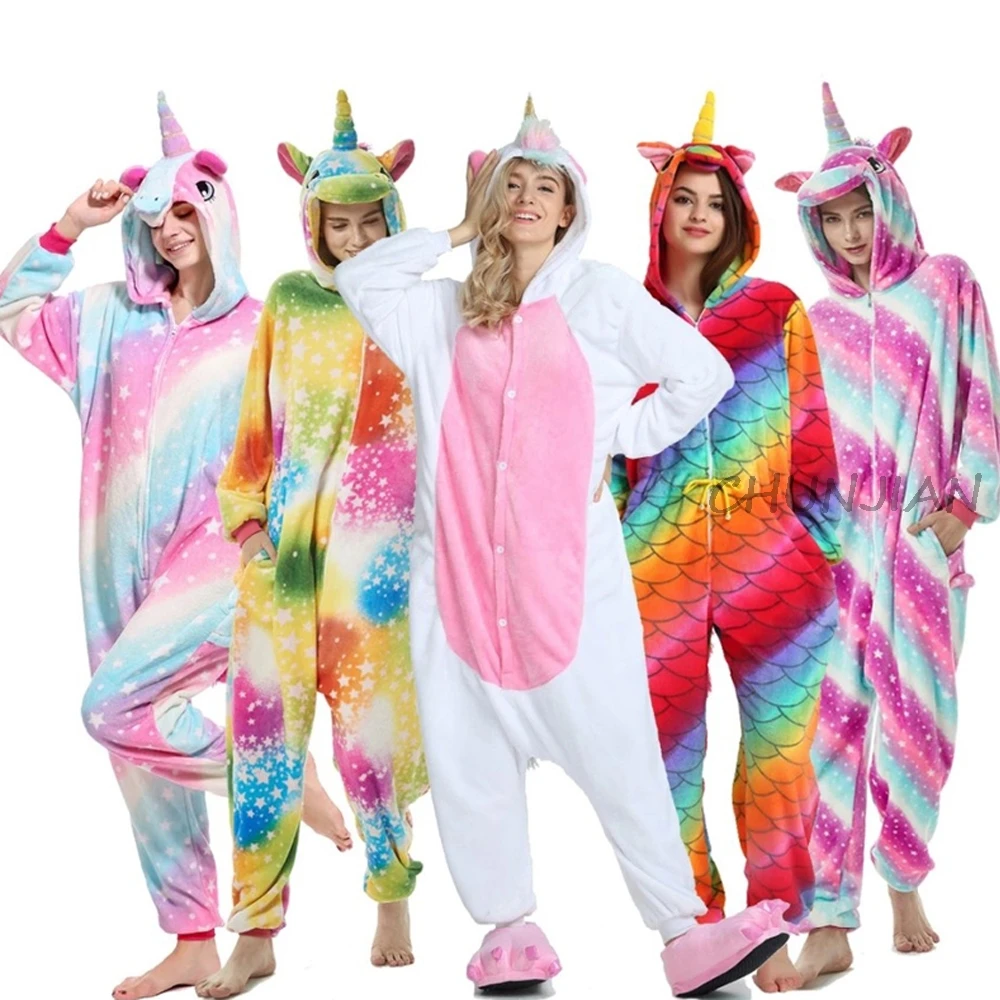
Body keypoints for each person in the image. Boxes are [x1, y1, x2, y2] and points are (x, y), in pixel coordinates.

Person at [335, 96, 791, 998]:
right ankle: (508, 931)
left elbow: (701, 373)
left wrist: (620, 434)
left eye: (545, 187)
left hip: (571, 584)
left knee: (620, 749)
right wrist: (457, 229)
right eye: (512, 186)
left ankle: (681, 929)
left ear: (571, 207)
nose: (527, 199)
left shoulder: (600, 298)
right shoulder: (440, 313)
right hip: (457, 586)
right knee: (469, 759)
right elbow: (362, 282)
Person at [0, 93, 341, 1000]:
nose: (171, 229)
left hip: (222, 552)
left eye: (186, 209)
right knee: (136, 745)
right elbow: (10, 305)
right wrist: (71, 224)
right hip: (111, 555)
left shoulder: (264, 324)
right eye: (156, 217)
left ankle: (269, 774)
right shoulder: (106, 316)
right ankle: (192, 937)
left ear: (218, 213)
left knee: (109, 706)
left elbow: (311, 442)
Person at [194, 91, 429, 1000]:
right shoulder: (291, 302)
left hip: (377, 564)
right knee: (260, 746)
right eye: (340, 222)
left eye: (372, 220)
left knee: (372, 743)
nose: (357, 237)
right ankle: (254, 932)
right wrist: (249, 525)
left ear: (393, 220)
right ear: (314, 225)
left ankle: (391, 891)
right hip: (283, 560)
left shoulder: (414, 306)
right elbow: (257, 415)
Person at [613, 91, 841, 993]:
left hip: (774, 560)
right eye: (685, 197)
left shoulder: (776, 309)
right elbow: (601, 451)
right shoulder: (620, 313)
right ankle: (702, 929)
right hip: (651, 566)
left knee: (781, 760)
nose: (700, 213)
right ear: (659, 207)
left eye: (716, 201)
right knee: (661, 759)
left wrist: (822, 546)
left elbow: (812, 429)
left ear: (738, 213)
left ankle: (775, 919)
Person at [776, 83, 1000, 984]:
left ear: (889, 199)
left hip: (918, 534)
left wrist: (960, 513)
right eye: (830, 221)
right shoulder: (816, 320)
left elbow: (980, 395)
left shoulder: (947, 285)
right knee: (829, 726)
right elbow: (800, 437)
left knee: (919, 719)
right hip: (838, 547)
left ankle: (905, 879)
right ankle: (829, 917)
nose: (851, 234)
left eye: (861, 211)